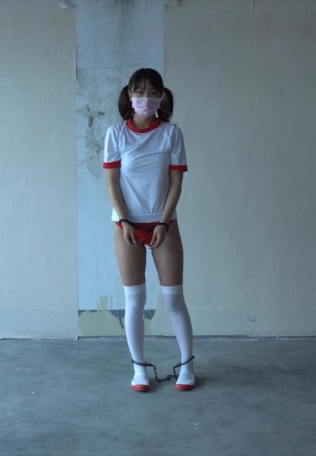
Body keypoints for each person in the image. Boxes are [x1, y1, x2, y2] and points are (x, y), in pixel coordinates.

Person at [102, 68, 195, 392]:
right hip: (126, 225)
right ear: (129, 94)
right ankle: (139, 369)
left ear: (162, 96)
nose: (146, 98)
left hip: (163, 224)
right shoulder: (115, 134)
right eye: (140, 92)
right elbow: (112, 183)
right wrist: (125, 220)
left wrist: (163, 222)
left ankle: (187, 366)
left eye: (153, 92)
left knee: (174, 299)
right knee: (135, 301)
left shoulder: (171, 134)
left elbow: (176, 183)